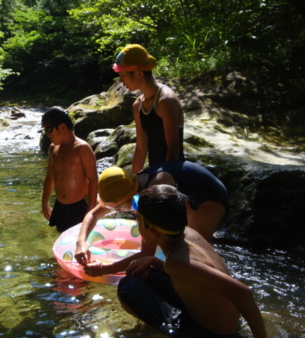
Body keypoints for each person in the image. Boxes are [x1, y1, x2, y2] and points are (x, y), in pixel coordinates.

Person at [94, 185, 266, 336]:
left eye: (138, 219)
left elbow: (243, 293)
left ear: (153, 230)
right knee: (142, 272)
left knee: (128, 287)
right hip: (222, 319)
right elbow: (193, 276)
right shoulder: (189, 234)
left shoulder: (177, 261)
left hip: (212, 333)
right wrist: (154, 261)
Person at [74, 161, 228, 266]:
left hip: (210, 196)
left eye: (118, 208)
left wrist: (104, 269)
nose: (117, 211)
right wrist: (81, 244)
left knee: (190, 250)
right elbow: (92, 215)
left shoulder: (151, 195)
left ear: (129, 199)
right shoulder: (128, 185)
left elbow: (146, 253)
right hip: (188, 192)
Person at [113, 44, 185, 173]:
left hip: (173, 173)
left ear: (139, 74)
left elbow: (173, 149)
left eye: (123, 74)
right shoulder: (137, 105)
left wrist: (163, 181)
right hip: (155, 171)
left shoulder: (165, 101)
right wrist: (135, 182)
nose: (121, 80)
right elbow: (141, 148)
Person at [41, 106, 98, 232]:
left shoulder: (82, 148)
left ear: (62, 127)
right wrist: (44, 202)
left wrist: (91, 208)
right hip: (60, 206)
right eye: (45, 131)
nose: (47, 135)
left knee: (79, 239)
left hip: (79, 206)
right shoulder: (53, 149)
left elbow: (93, 179)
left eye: (49, 130)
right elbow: (50, 178)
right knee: (62, 238)